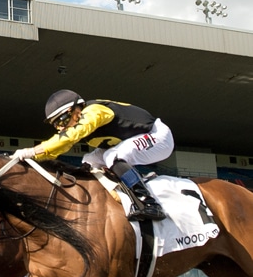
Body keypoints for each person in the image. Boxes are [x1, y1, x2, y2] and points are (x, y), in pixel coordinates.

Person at [11, 89, 173, 221]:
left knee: (112, 156)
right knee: (89, 160)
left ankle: (149, 203)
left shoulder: (94, 111)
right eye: (56, 125)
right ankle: (110, 200)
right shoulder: (80, 118)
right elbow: (59, 148)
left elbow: (70, 136)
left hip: (158, 136)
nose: (60, 128)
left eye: (61, 121)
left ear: (75, 111)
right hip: (130, 140)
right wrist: (29, 159)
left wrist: (32, 151)